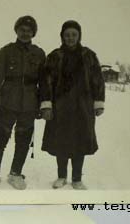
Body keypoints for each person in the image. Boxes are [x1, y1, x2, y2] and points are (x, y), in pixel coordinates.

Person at [40, 20, 105, 190]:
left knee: (80, 141)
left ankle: (77, 178)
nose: (70, 38)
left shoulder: (89, 55)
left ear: (79, 36)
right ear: (62, 36)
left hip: (83, 107)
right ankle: (61, 176)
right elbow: (46, 82)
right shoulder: (54, 56)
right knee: (60, 141)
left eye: (74, 34)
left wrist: (98, 102)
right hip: (60, 107)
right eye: (67, 35)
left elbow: (98, 79)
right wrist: (46, 105)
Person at [0, 15, 46, 190]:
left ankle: (15, 174)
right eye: (22, 30)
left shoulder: (39, 54)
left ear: (33, 33)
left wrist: (42, 104)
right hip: (7, 103)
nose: (25, 33)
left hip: (29, 105)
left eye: (29, 30)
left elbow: (44, 81)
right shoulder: (6, 51)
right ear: (16, 31)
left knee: (23, 141)